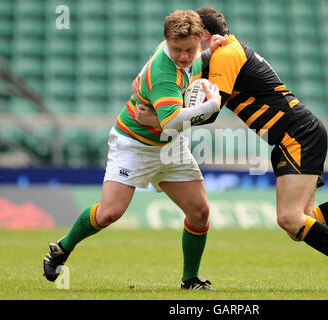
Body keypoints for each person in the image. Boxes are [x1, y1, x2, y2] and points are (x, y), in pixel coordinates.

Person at [133, 7, 328, 292]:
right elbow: (177, 65)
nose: (189, 51)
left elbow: (211, 112)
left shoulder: (227, 55)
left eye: (195, 40)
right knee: (301, 221)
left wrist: (158, 119)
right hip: (292, 135)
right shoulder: (222, 51)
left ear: (205, 35)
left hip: (298, 134)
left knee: (290, 219)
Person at [43, 10, 225, 290]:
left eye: (190, 49)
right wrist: (211, 106)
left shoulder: (196, 54)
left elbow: (170, 123)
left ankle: (190, 280)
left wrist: (215, 46)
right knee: (109, 214)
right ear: (166, 41)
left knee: (199, 211)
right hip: (134, 145)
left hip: (169, 147)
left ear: (200, 40)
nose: (183, 56)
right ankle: (62, 248)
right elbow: (174, 122)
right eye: (176, 49)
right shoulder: (164, 73)